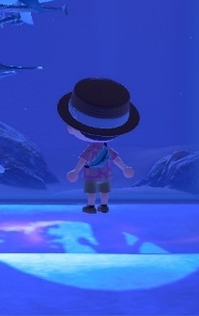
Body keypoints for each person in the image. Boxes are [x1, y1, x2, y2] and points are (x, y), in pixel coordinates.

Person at [57, 77, 139, 214]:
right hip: (104, 174)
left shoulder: (91, 149)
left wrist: (75, 171)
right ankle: (103, 205)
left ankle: (91, 206)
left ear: (73, 128)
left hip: (91, 174)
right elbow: (115, 159)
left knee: (92, 192)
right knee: (104, 191)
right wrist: (125, 168)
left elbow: (83, 160)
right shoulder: (106, 149)